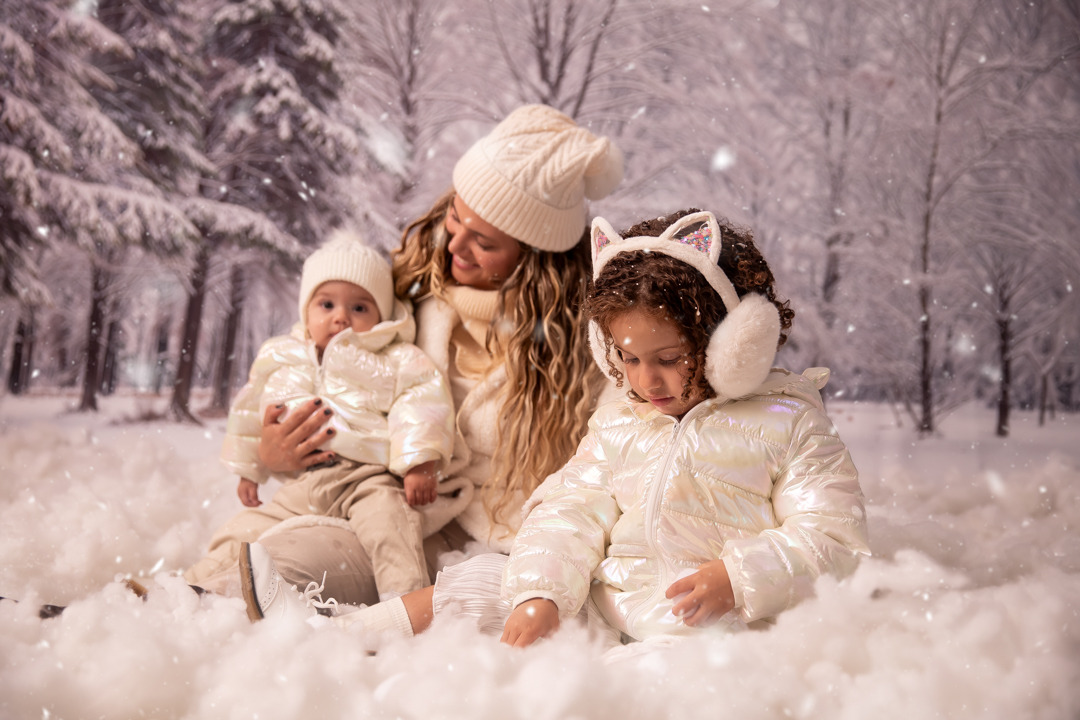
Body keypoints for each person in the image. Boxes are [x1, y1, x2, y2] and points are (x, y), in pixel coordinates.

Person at [241, 208, 871, 652]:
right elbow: (571, 508)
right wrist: (543, 591)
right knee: (486, 581)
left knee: (671, 685)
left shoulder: (788, 422)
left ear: (735, 346)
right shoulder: (623, 417)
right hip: (605, 602)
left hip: (705, 626)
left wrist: (738, 577)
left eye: (669, 359)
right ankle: (335, 640)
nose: (645, 380)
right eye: (626, 357)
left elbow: (833, 536)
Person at [235, 104, 624, 608]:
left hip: (484, 541)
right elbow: (312, 358)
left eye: (483, 241)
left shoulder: (587, 348)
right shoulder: (408, 295)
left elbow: (620, 455)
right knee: (240, 540)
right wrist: (274, 453)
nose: (455, 245)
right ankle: (165, 605)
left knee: (288, 563)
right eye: (454, 219)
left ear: (535, 256)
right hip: (366, 489)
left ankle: (198, 618)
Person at [184, 231, 455, 603]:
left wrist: (418, 461)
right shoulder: (281, 355)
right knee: (243, 530)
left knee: (390, 526)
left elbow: (422, 401)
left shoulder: (395, 357)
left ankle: (406, 604)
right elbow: (251, 410)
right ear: (306, 310)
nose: (341, 317)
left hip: (367, 478)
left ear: (381, 315)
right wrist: (250, 468)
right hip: (303, 484)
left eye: (359, 308)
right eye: (326, 305)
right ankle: (182, 590)